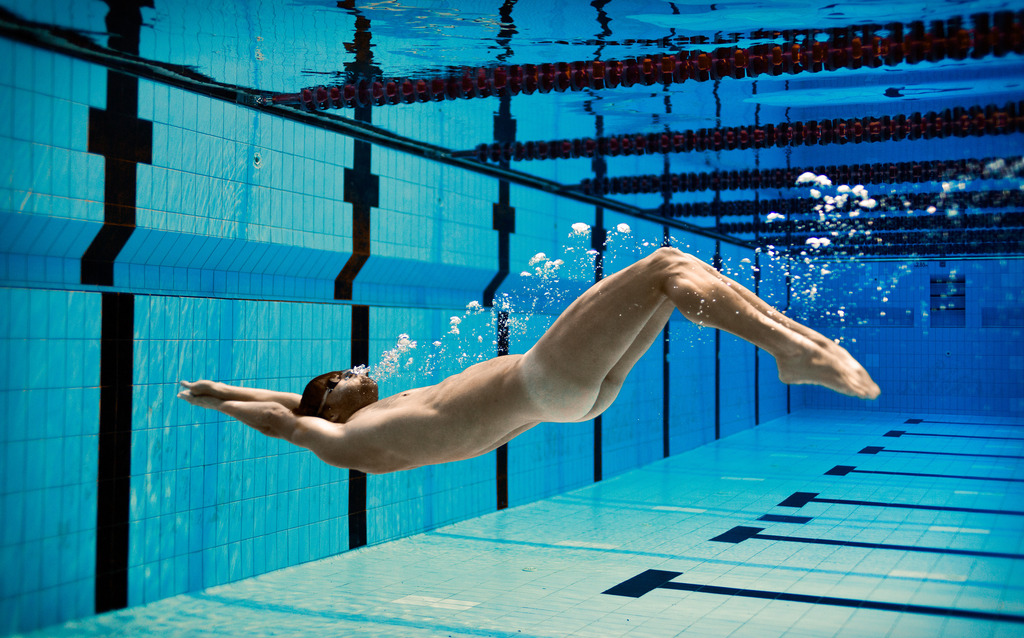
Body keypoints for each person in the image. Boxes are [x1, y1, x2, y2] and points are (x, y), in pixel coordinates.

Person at [178, 248, 879, 474]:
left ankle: (803, 344)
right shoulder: (345, 437)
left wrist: (215, 389)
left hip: (568, 398)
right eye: (343, 375)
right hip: (545, 382)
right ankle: (795, 351)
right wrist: (235, 408)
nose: (355, 366)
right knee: (666, 266)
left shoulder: (370, 419)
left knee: (677, 276)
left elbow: (289, 399)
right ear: (334, 403)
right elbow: (284, 418)